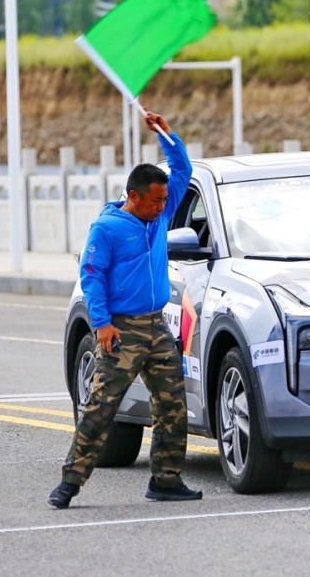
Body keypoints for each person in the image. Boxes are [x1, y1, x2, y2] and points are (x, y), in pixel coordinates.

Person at [48, 110, 201, 509]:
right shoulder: (107, 228)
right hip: (121, 330)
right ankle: (70, 482)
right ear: (133, 197)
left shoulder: (159, 216)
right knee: (101, 408)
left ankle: (166, 480)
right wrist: (101, 323)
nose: (162, 206)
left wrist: (166, 134)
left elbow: (183, 170)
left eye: (164, 199)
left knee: (171, 404)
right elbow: (91, 276)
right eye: (155, 200)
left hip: (156, 327)